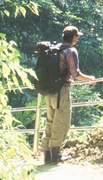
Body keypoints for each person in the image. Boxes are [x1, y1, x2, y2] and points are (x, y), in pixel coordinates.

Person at [40, 24, 95, 164]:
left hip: (50, 90)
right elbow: (75, 74)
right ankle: (56, 154)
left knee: (50, 121)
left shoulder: (54, 49)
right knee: (62, 120)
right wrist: (90, 78)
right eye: (77, 37)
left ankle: (47, 154)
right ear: (74, 38)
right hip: (62, 90)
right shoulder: (71, 51)